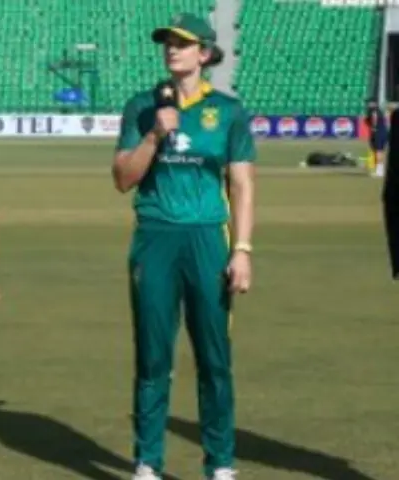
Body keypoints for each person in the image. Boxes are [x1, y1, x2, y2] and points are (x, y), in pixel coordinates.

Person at [111, 13, 256, 480]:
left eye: (183, 42)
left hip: (208, 239)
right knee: (153, 356)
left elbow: (241, 184)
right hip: (155, 238)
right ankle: (147, 462)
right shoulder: (141, 106)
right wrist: (155, 133)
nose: (172, 49)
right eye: (168, 42)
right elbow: (122, 178)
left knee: (214, 358)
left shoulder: (228, 111)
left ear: (205, 53)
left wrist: (242, 249)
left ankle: (220, 464)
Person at [365, 98, 388, 178]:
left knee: (378, 151)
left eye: (369, 103)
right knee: (379, 151)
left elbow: (374, 117)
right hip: (382, 132)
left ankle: (379, 171)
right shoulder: (379, 110)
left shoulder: (373, 110)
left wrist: (374, 127)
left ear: (373, 103)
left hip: (378, 132)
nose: (368, 104)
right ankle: (380, 170)